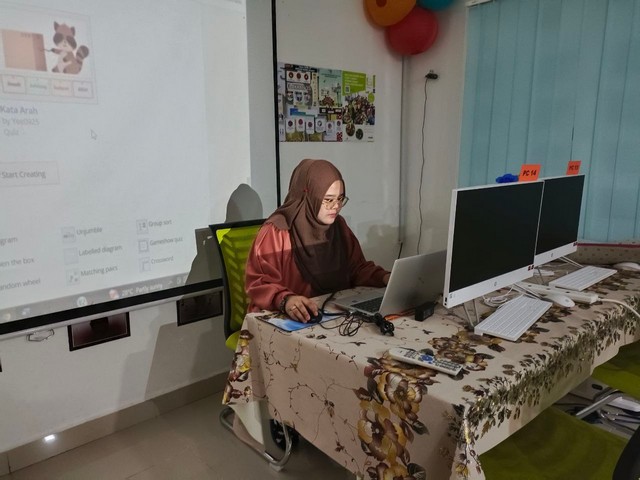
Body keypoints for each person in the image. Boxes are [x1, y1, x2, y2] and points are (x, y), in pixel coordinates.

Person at [245, 158, 390, 323]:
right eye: (328, 199)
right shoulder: (277, 232)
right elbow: (259, 283)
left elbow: (356, 268)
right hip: (289, 318)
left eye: (340, 198)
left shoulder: (338, 226)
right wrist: (286, 300)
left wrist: (385, 278)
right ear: (308, 196)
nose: (336, 206)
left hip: (332, 314)